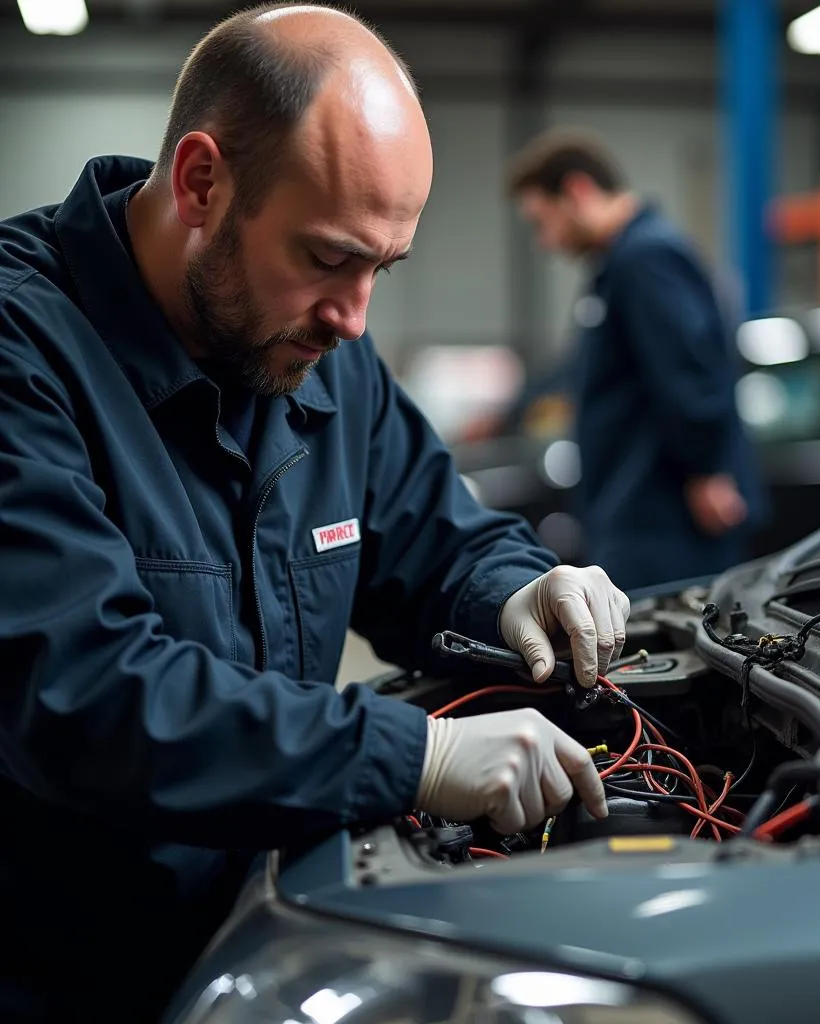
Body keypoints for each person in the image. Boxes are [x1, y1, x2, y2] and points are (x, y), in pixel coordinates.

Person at [0, 6, 630, 1020]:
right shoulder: (23, 354)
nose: (354, 317)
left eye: (383, 268)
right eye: (330, 257)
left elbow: (434, 538)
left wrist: (518, 591)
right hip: (71, 978)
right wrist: (410, 755)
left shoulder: (320, 350)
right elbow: (86, 693)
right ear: (202, 182)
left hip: (266, 948)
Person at [507, 129, 766, 591]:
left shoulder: (648, 258)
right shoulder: (618, 266)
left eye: (541, 221)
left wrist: (707, 470)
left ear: (577, 191)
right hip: (635, 513)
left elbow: (693, 370)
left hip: (664, 522)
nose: (545, 241)